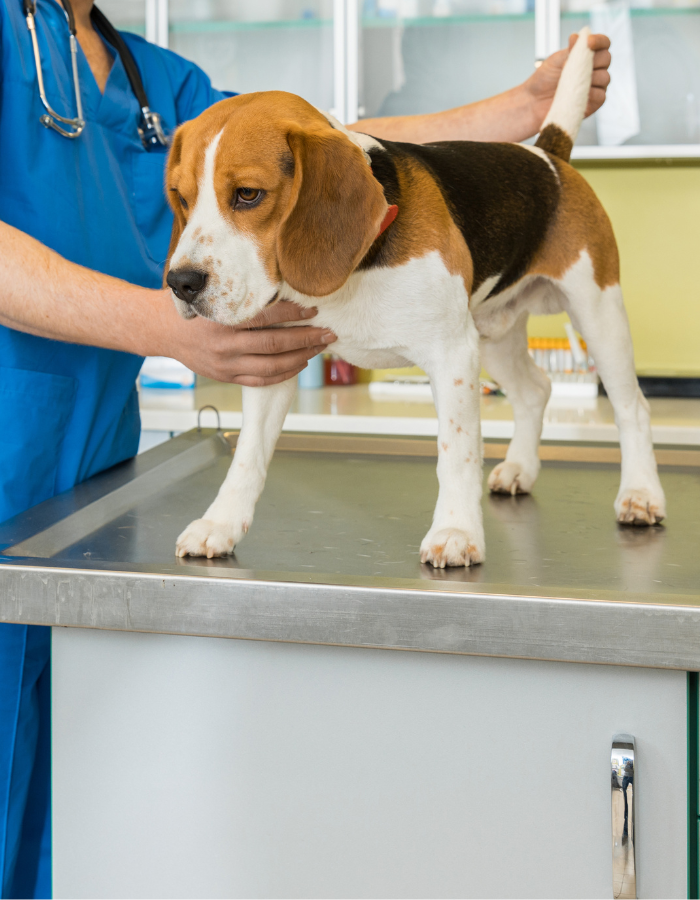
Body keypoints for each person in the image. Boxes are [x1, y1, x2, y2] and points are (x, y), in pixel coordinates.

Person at [0, 1, 611, 895]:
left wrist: (520, 110)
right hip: (12, 444)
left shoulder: (146, 79)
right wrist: (166, 326)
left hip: (91, 480)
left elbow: (320, 146)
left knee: (78, 804)